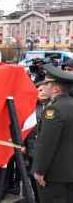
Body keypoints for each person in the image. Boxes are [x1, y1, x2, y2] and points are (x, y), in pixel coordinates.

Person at [34, 64, 73, 203]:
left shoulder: (54, 110)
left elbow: (47, 144)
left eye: (47, 84)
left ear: (56, 88)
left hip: (55, 175)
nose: (44, 87)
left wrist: (39, 171)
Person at [23, 82, 49, 203]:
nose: (41, 92)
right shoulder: (30, 107)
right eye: (38, 90)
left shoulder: (54, 106)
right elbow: (23, 128)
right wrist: (23, 145)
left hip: (49, 150)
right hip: (33, 150)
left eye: (43, 89)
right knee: (34, 178)